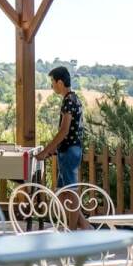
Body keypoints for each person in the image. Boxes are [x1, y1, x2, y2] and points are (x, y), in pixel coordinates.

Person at [35, 66, 91, 230]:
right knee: (62, 193)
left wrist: (46, 151)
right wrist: (54, 148)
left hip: (69, 151)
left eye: (52, 81)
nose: (51, 85)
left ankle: (72, 232)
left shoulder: (68, 101)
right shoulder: (74, 98)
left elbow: (64, 130)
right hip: (70, 149)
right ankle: (86, 228)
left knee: (71, 193)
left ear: (60, 82)